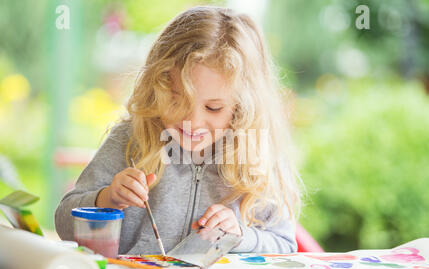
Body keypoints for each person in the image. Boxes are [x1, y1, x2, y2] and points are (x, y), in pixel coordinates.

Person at [55, 6, 302, 254]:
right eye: (177, 100)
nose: (192, 122)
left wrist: (239, 236)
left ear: (243, 106)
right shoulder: (130, 140)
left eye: (213, 108)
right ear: (157, 86)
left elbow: (285, 245)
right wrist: (107, 199)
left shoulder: (255, 154)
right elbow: (64, 223)